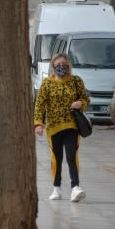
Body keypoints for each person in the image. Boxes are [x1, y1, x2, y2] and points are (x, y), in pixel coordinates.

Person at [33, 53, 89, 202]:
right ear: (53, 66)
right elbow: (39, 105)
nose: (61, 67)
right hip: (53, 127)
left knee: (72, 156)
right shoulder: (47, 84)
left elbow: (86, 98)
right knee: (56, 158)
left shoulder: (76, 81)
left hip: (72, 125)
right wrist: (38, 124)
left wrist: (80, 103)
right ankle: (56, 188)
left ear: (69, 66)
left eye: (64, 65)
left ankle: (75, 187)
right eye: (58, 65)